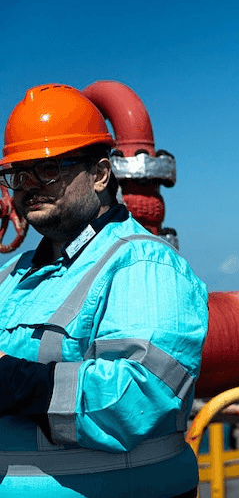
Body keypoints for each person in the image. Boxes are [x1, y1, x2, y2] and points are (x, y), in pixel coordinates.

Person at [0, 84, 208, 497]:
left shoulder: (144, 265)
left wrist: (12, 380)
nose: (28, 186)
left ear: (99, 174)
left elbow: (139, 399)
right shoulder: (11, 275)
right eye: (17, 174)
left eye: (48, 168)